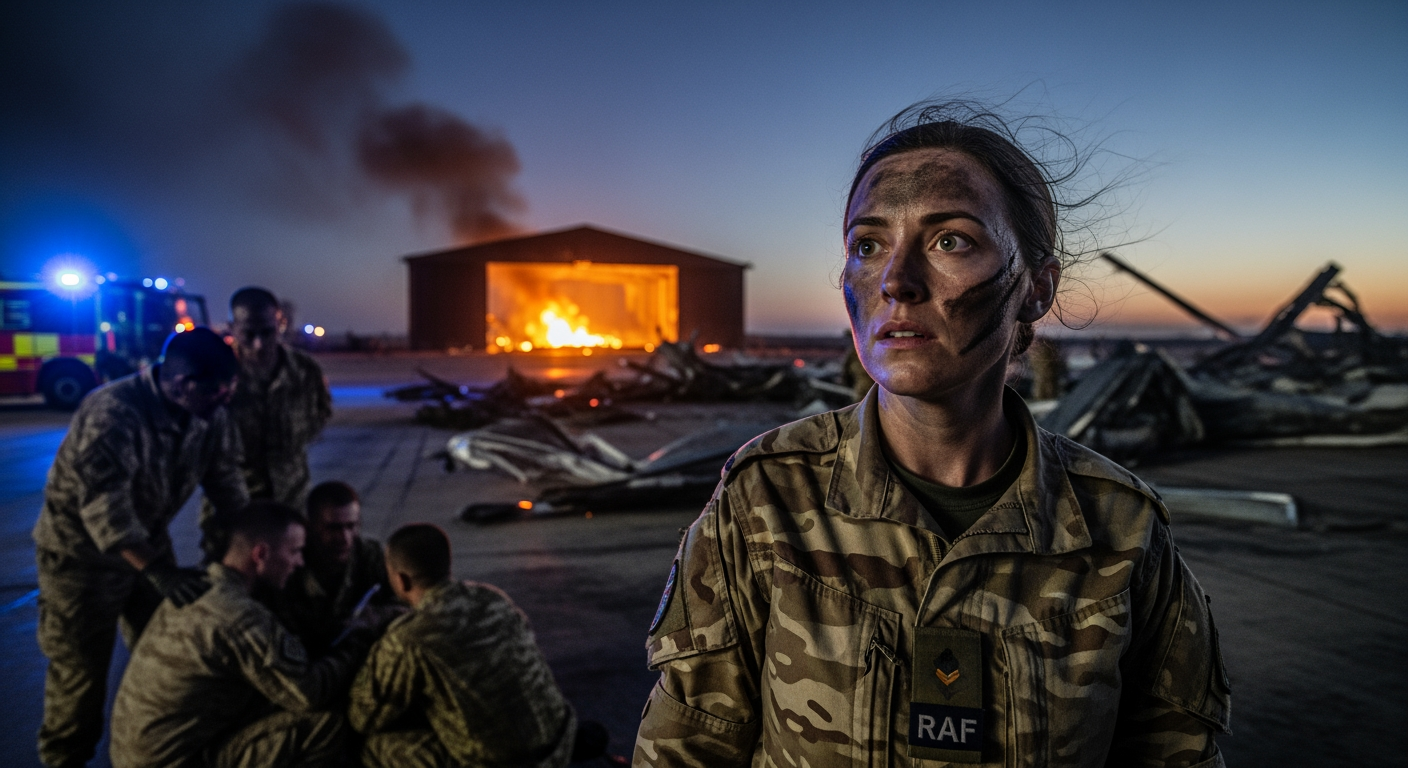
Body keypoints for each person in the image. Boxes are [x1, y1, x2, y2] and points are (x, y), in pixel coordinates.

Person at [633, 103, 1231, 767]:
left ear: (1035, 288)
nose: (895, 281)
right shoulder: (767, 498)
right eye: (868, 245)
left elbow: (1175, 752)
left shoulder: (1119, 530)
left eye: (950, 241)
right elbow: (686, 748)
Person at [31, 327, 249, 768]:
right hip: (80, 560)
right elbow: (103, 507)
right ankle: (64, 760)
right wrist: (158, 571)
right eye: (218, 391)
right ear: (184, 384)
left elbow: (226, 484)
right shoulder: (114, 412)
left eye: (230, 390)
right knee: (79, 678)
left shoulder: (208, 412)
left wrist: (255, 539)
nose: (225, 400)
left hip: (147, 545)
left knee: (172, 655)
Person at [110, 500, 382, 768]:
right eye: (295, 551)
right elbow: (308, 692)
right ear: (260, 554)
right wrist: (358, 638)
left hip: (137, 754)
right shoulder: (240, 616)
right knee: (325, 724)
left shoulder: (198, 585)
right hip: (180, 760)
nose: (300, 562)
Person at [349, 523, 579, 768]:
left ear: (401, 580)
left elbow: (364, 716)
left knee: (374, 746)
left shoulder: (409, 638)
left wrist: (361, 644)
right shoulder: (492, 598)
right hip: (560, 744)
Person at [202, 286, 332, 557]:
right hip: (232, 512)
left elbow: (320, 417)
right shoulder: (215, 377)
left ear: (280, 324)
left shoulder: (305, 372)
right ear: (232, 328)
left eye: (267, 332)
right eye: (248, 334)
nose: (259, 344)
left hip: (291, 507)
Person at [273, 480, 396, 655]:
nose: (345, 538)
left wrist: (378, 616)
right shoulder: (289, 563)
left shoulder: (369, 555)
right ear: (311, 526)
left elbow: (407, 602)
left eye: (351, 526)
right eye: (333, 528)